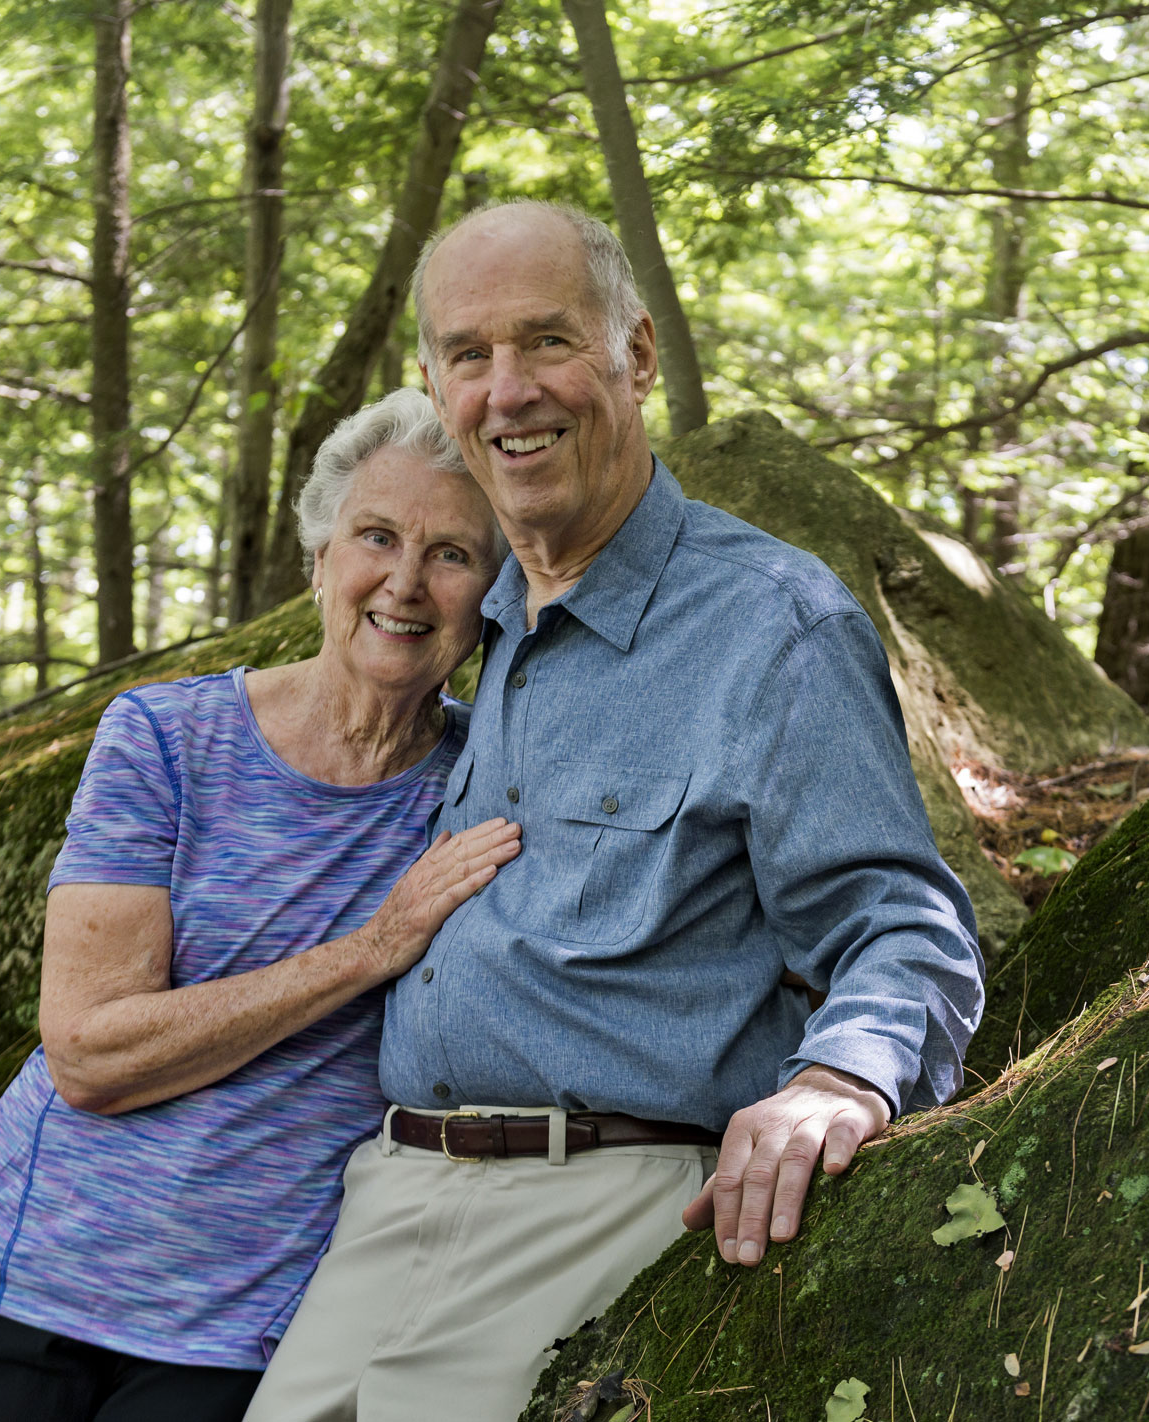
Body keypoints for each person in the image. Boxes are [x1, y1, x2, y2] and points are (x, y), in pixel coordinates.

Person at [243, 203, 987, 1422]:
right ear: (437, 388)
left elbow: (899, 924)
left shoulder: (771, 627)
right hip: (385, 1206)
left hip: (599, 1198)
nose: (509, 390)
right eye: (470, 357)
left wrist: (839, 1083)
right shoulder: (470, 630)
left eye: (548, 342)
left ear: (636, 356)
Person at [0, 389, 520, 1422]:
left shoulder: (488, 783)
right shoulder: (167, 740)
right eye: (376, 537)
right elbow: (88, 1054)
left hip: (234, 1338)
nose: (404, 583)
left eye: (451, 554)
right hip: (10, 1286)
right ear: (320, 556)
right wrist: (373, 949)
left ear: (494, 595)